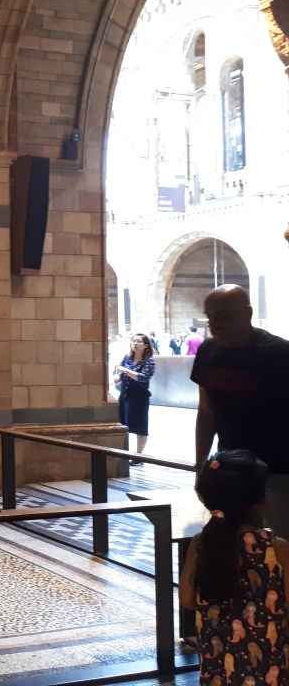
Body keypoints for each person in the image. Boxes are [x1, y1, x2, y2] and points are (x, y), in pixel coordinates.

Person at [178, 449, 289, 685]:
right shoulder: (277, 549)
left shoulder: (201, 543)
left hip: (218, 671)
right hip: (272, 671)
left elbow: (187, 599)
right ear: (259, 502)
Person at [191, 284, 289, 536]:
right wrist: (201, 466)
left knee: (282, 543)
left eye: (223, 316)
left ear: (247, 313)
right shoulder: (207, 352)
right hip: (231, 470)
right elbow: (206, 410)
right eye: (210, 317)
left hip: (278, 470)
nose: (214, 324)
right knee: (235, 542)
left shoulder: (279, 354)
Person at [113, 333, 155, 462]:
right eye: (133, 341)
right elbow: (117, 371)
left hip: (139, 397)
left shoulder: (149, 361)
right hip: (125, 395)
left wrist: (125, 371)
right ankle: (123, 452)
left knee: (140, 426)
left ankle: (138, 455)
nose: (135, 343)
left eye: (139, 341)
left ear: (146, 345)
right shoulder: (127, 357)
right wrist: (117, 377)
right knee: (122, 423)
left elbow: (142, 377)